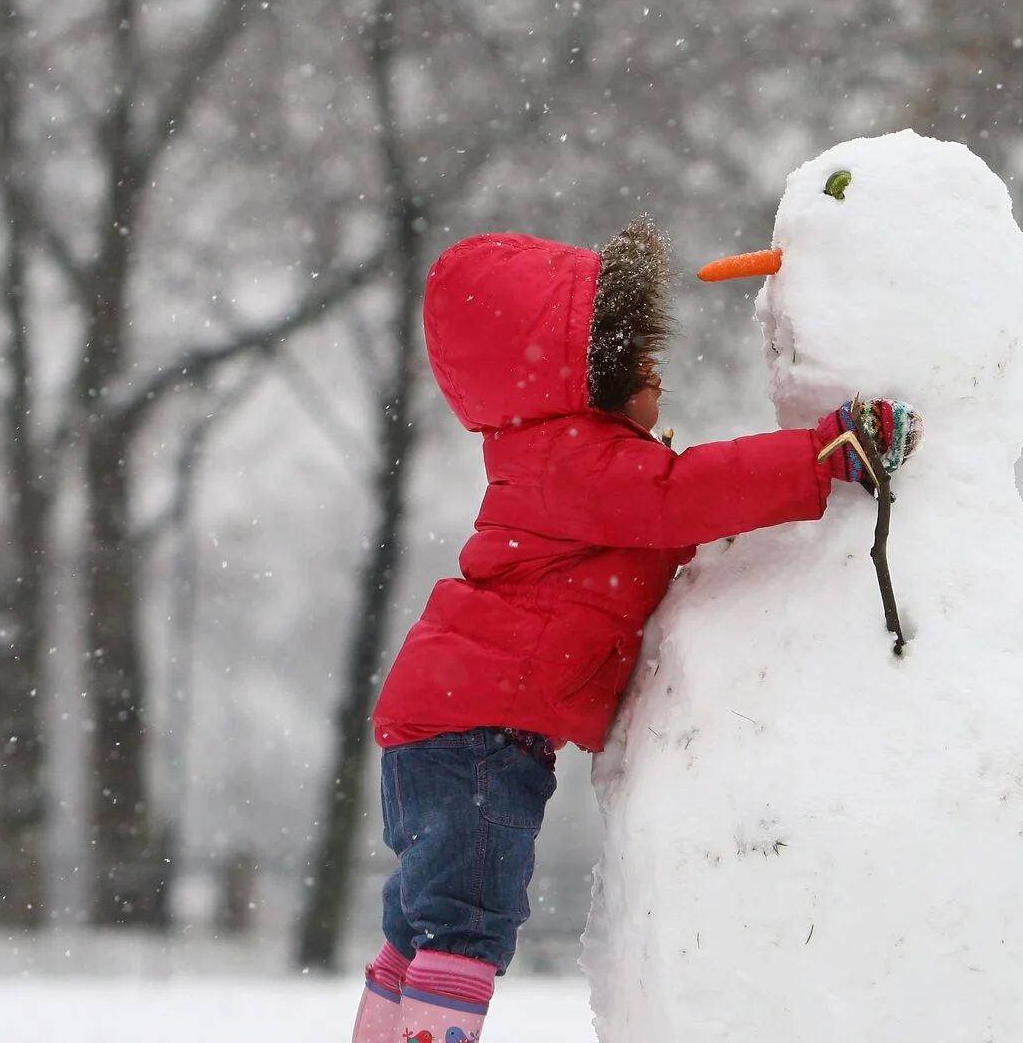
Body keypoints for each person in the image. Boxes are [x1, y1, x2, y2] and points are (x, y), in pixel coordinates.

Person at [350, 217, 922, 1043]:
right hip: (474, 730)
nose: (657, 372)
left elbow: (660, 517)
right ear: (584, 377)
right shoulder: (577, 459)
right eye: (636, 358)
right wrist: (824, 451)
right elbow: (680, 496)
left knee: (424, 922)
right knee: (466, 922)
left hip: (447, 719)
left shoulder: (556, 455)